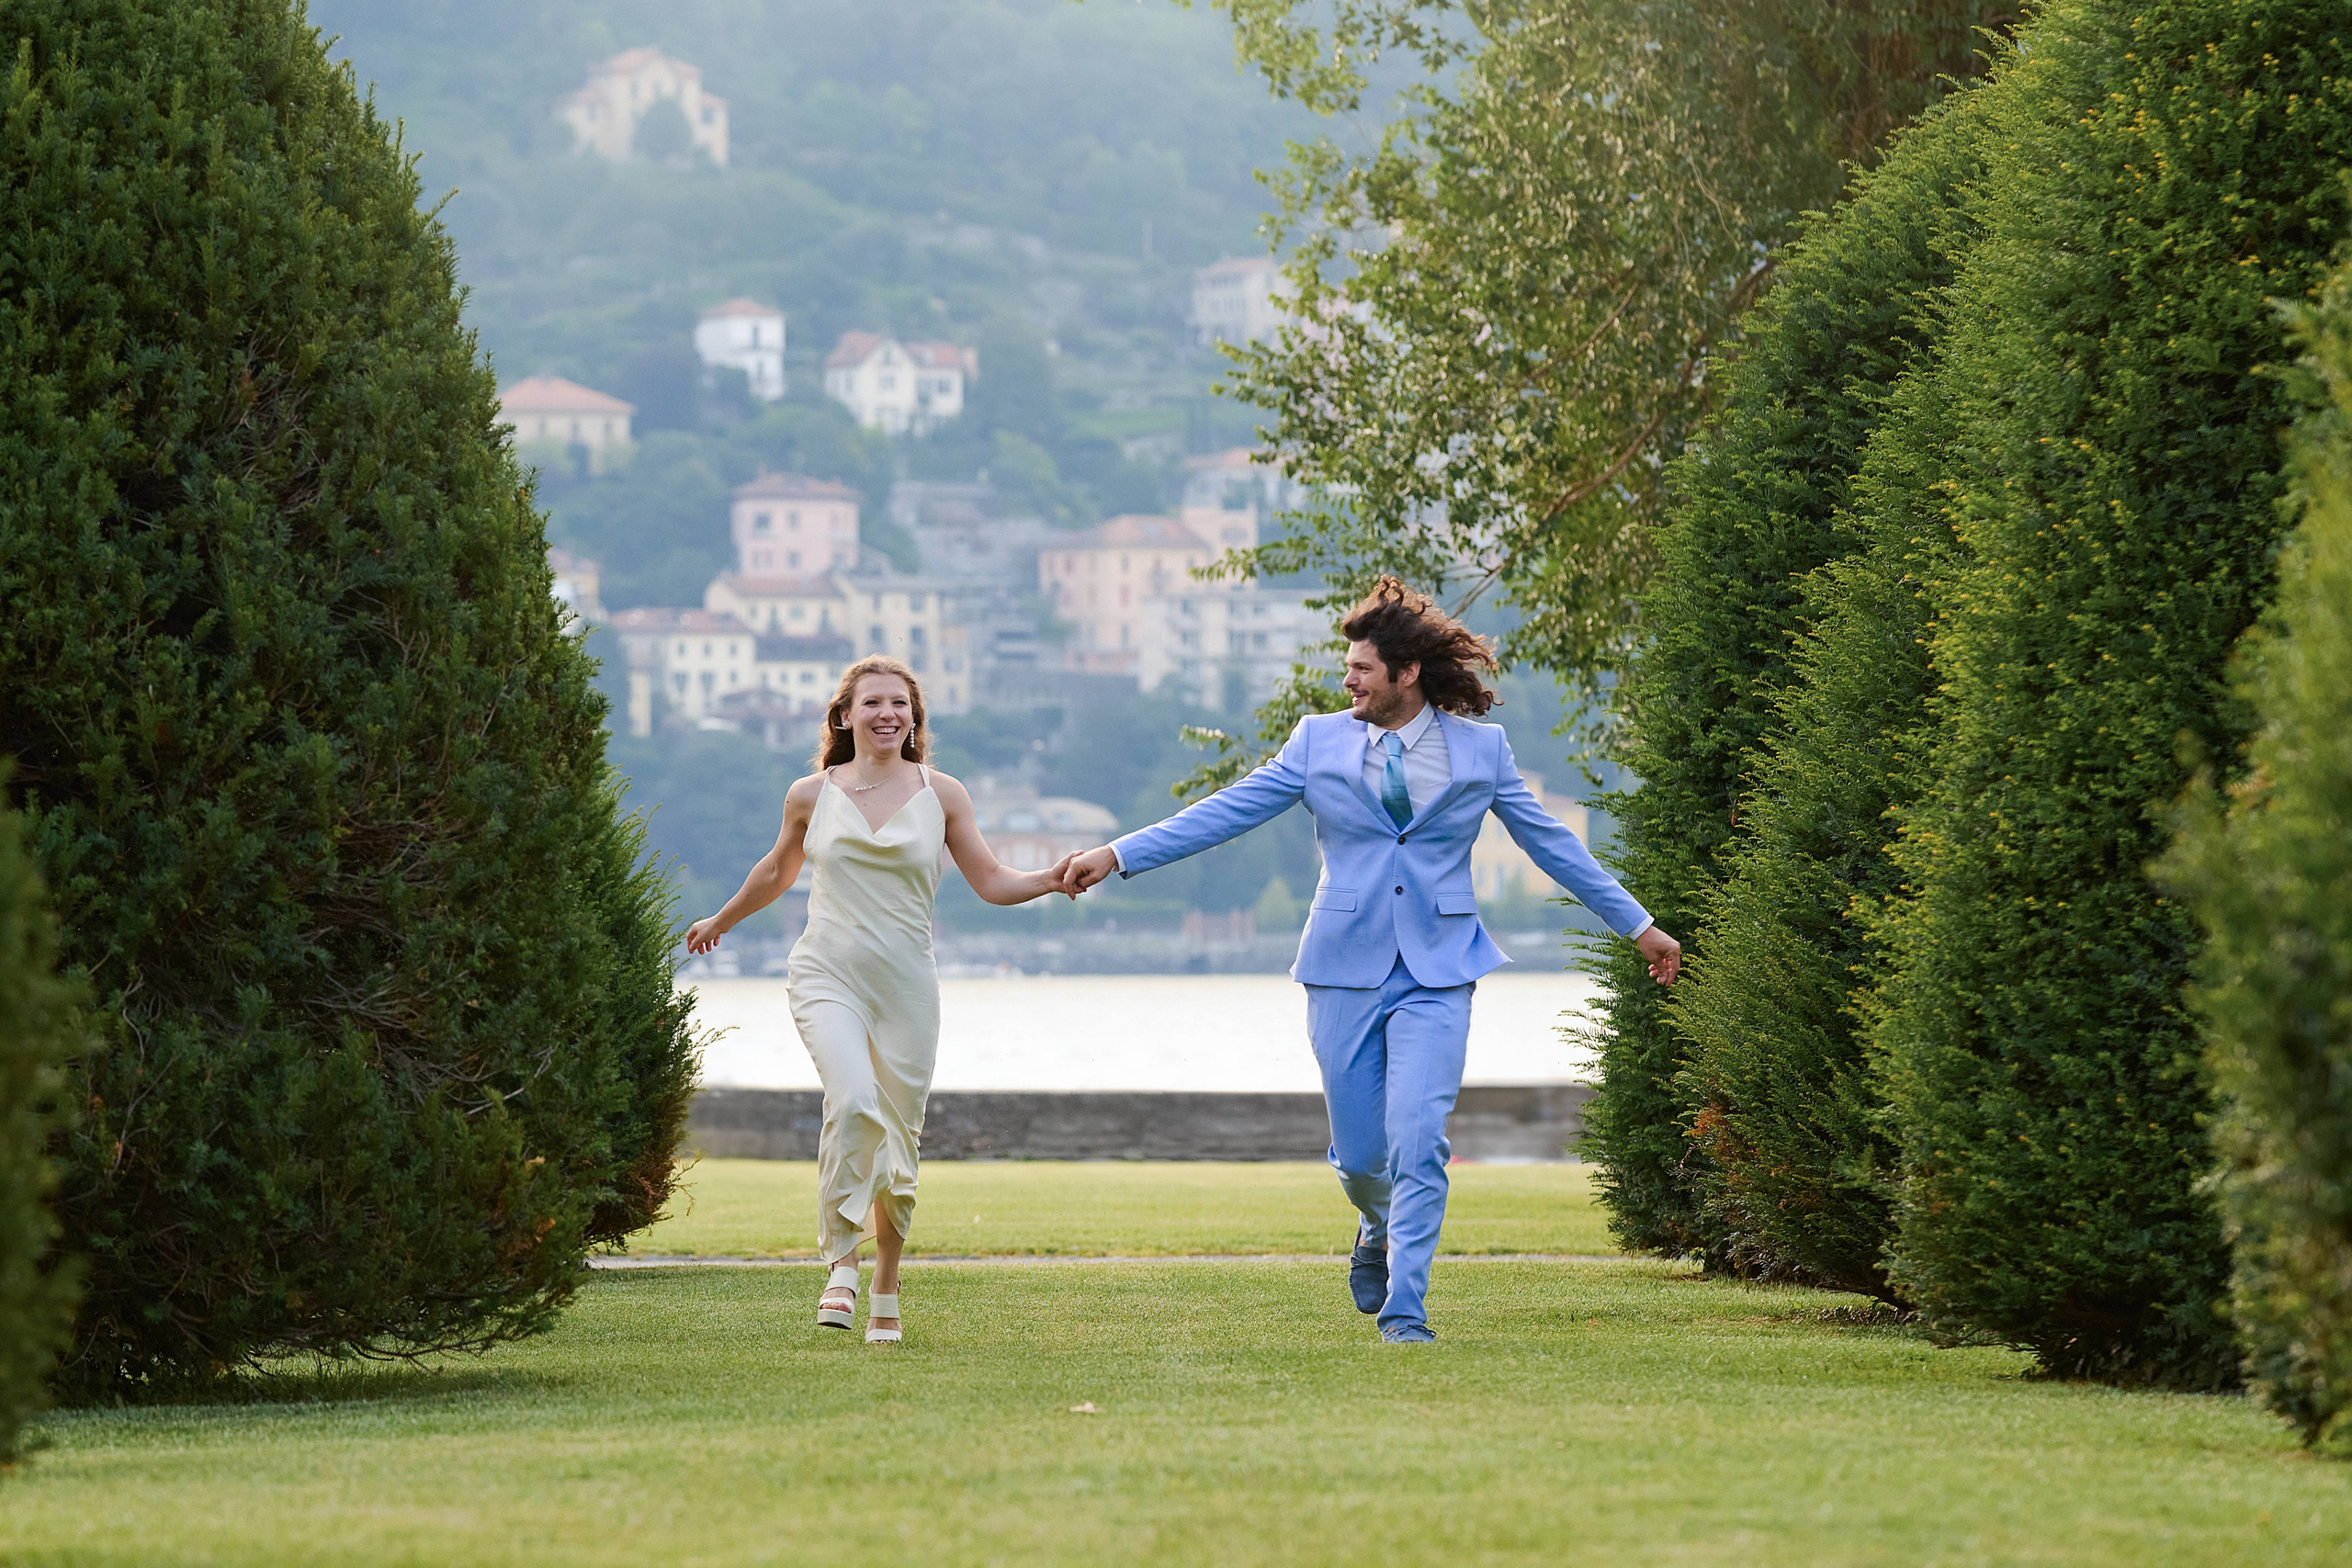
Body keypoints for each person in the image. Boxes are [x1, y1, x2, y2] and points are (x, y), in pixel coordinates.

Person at [1066, 577, 1680, 1342]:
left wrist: (1639, 925)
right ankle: (1373, 1222)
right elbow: (1225, 811)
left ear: (1406, 673)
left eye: (1360, 668)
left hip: (1439, 969)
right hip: (1341, 965)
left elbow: (1549, 842)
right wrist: (1118, 854)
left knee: (1420, 1138)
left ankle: (1406, 1310)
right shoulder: (1316, 741)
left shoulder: (1480, 751)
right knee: (1363, 1156)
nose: (1347, 679)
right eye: (1347, 667)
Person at [685, 655, 1073, 1344]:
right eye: (873, 703)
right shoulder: (811, 793)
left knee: (900, 1142)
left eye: (901, 703)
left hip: (906, 987)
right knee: (854, 1102)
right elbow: (778, 869)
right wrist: (721, 920)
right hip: (826, 973)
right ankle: (841, 1263)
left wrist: (1050, 878)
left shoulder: (943, 793)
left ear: (915, 718)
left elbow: (989, 879)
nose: (888, 713)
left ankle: (886, 1292)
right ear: (844, 715)